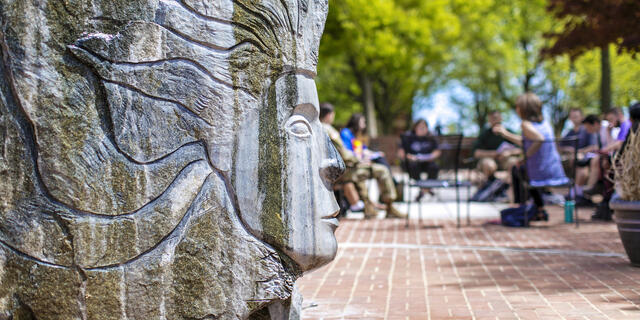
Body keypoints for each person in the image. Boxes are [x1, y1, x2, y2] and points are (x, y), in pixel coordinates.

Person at [320, 103, 407, 219]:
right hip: (345, 170)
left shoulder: (320, 128)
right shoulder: (329, 130)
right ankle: (389, 206)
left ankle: (370, 207)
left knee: (368, 173)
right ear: (329, 115)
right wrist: (359, 161)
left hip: (341, 168)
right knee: (382, 170)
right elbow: (343, 153)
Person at [493, 93, 569, 221]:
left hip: (540, 172)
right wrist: (506, 134)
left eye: (517, 106)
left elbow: (539, 139)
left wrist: (524, 158)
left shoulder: (525, 124)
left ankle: (522, 206)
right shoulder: (545, 124)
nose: (516, 109)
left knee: (517, 169)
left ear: (523, 108)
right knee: (522, 169)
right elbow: (527, 141)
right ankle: (539, 209)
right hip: (555, 170)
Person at [398, 119, 441, 200]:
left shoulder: (431, 137)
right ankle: (425, 189)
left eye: (424, 127)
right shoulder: (408, 136)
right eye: (420, 127)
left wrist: (431, 157)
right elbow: (401, 152)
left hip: (427, 162)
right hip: (413, 162)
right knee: (412, 166)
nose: (422, 129)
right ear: (415, 128)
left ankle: (424, 189)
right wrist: (410, 157)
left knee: (434, 167)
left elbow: (437, 151)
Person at [472, 111, 520, 183]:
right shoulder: (485, 134)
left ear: (501, 118)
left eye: (496, 118)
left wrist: (509, 153)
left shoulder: (508, 132)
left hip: (505, 160)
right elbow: (476, 153)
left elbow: (521, 148)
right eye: (492, 119)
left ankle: (511, 187)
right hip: (490, 160)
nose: (495, 121)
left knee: (514, 162)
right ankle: (490, 188)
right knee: (488, 164)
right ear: (489, 120)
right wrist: (494, 153)